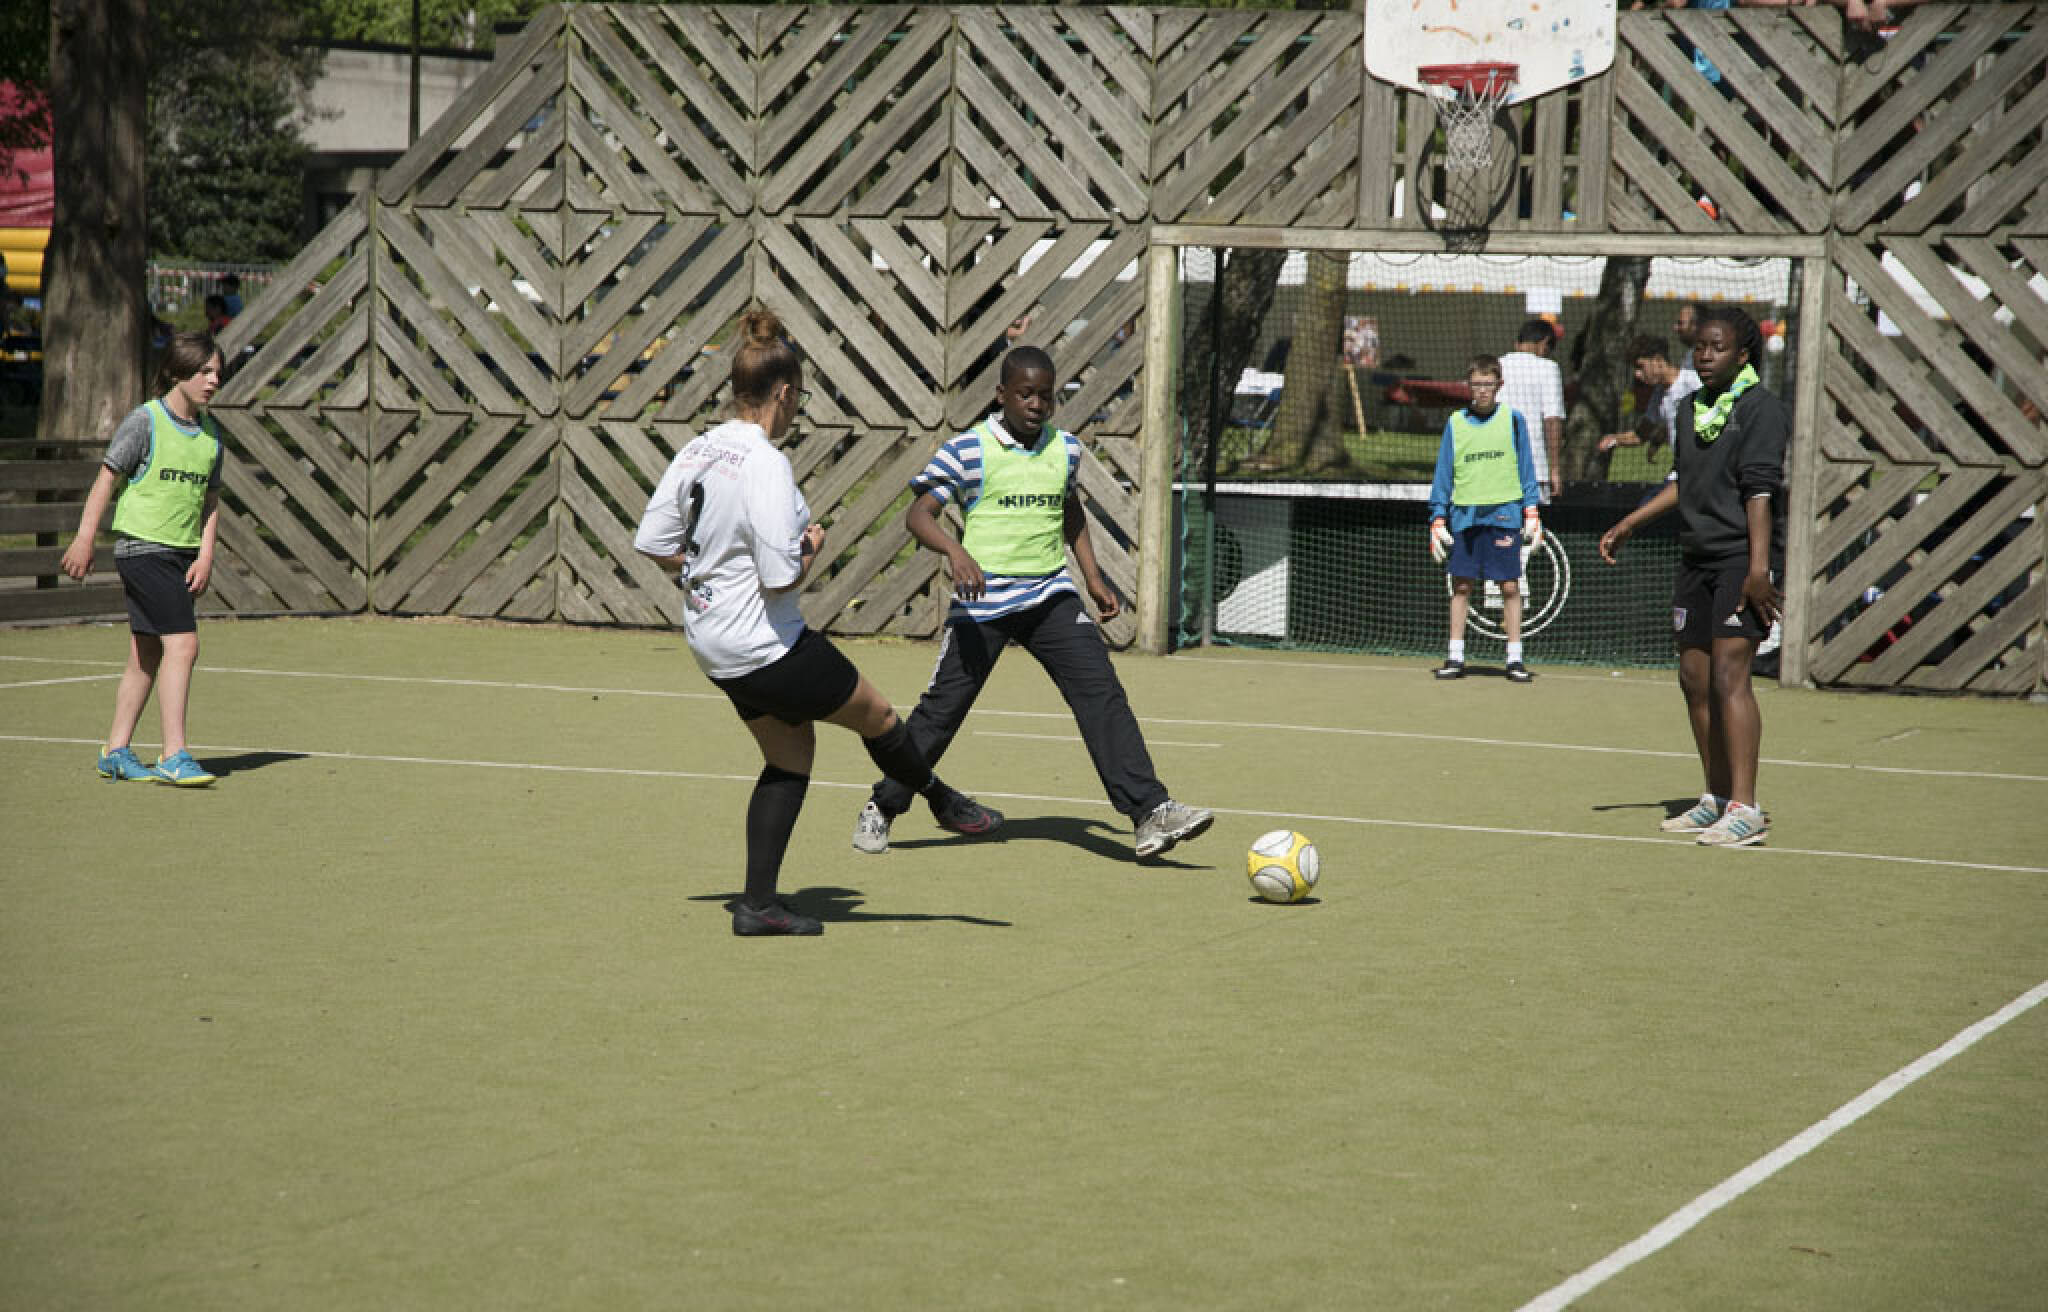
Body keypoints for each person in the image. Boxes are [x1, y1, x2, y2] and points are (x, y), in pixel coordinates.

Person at [632, 309, 1000, 937]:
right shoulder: (765, 463)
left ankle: (756, 905)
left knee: (790, 755)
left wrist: (705, 574)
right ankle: (942, 801)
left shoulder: (698, 448)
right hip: (765, 646)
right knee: (877, 715)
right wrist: (811, 551)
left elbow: (654, 541)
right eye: (799, 399)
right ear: (783, 392)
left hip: (712, 644)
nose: (797, 411)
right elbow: (782, 579)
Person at [852, 344, 1214, 861]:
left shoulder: (1065, 450)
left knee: (1101, 693)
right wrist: (955, 551)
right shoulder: (968, 450)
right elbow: (918, 515)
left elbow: (1070, 511)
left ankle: (1149, 812)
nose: (1036, 404)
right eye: (1025, 394)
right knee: (941, 713)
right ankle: (883, 806)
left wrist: (1093, 577)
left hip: (1050, 597)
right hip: (983, 604)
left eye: (1045, 395)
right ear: (1002, 394)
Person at [1597, 306, 1786, 848]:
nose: (1704, 355)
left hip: (1740, 560)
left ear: (1743, 355)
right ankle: (1717, 797)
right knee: (1694, 678)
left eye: (1717, 347)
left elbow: (1759, 491)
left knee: (1730, 676)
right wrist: (1629, 523)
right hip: (1696, 557)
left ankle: (1746, 809)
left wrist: (1758, 569)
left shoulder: (1761, 409)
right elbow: (1683, 482)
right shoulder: (1688, 409)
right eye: (1699, 346)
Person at [59, 332, 226, 786]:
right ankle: (173, 754)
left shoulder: (212, 435)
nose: (213, 380)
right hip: (143, 549)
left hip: (182, 554)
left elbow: (211, 501)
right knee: (183, 645)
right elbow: (106, 479)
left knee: (146, 652)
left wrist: (206, 554)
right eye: (204, 371)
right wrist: (84, 539)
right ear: (176, 372)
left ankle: (115, 751)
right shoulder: (145, 421)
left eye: (217, 372)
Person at [1428, 355, 1544, 683]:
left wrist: (1531, 510)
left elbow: (1526, 467)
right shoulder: (1455, 423)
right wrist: (1438, 517)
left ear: (1499, 385)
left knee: (1510, 585)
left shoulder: (1513, 420)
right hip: (1465, 514)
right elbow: (1444, 472)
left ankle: (1514, 658)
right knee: (1462, 585)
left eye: (1487, 384)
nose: (1481, 391)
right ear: (1468, 386)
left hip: (1504, 513)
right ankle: (1455, 656)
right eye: (1476, 384)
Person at [1599, 336, 1702, 457]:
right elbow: (1641, 434)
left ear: (1658, 360)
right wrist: (1614, 439)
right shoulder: (1658, 395)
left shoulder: (1694, 383)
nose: (1637, 374)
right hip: (1684, 464)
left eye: (1640, 366)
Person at [1498, 319, 1565, 499]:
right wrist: (1555, 469)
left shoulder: (1496, 366)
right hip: (1534, 470)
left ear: (1517, 344)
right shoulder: (1549, 368)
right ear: (1544, 343)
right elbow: (1553, 420)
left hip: (1495, 469)